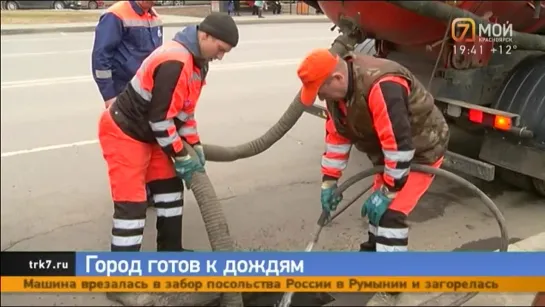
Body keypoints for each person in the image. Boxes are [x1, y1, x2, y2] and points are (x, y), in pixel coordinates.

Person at [296, 48, 450, 305]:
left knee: (390, 214)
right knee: (375, 213)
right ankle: (371, 260)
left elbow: (400, 148)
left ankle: (391, 285)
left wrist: (388, 191)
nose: (321, 97)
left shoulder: (383, 86)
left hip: (420, 152)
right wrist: (329, 181)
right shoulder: (337, 96)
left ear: (337, 79)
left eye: (321, 91)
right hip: (387, 155)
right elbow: (337, 138)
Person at [98, 12, 239, 257]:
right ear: (204, 35)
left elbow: (185, 112)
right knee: (132, 207)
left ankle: (171, 254)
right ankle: (120, 279)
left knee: (170, 192)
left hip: (151, 135)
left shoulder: (198, 63)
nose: (220, 56)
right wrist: (181, 156)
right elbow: (161, 120)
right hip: (125, 133)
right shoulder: (176, 61)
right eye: (220, 48)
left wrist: (195, 145)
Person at [91, 0, 163, 109]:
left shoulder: (154, 17)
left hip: (147, 91)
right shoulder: (116, 15)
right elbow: (101, 57)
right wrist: (109, 96)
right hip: (124, 90)